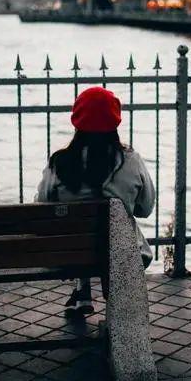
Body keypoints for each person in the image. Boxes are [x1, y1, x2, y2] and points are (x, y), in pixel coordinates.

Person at [35, 86, 155, 315]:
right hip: (123, 255)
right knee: (117, 227)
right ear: (115, 121)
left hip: (68, 255)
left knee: (78, 231)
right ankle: (117, 308)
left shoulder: (60, 163)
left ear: (76, 121)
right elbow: (145, 208)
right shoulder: (131, 161)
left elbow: (42, 207)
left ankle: (82, 291)